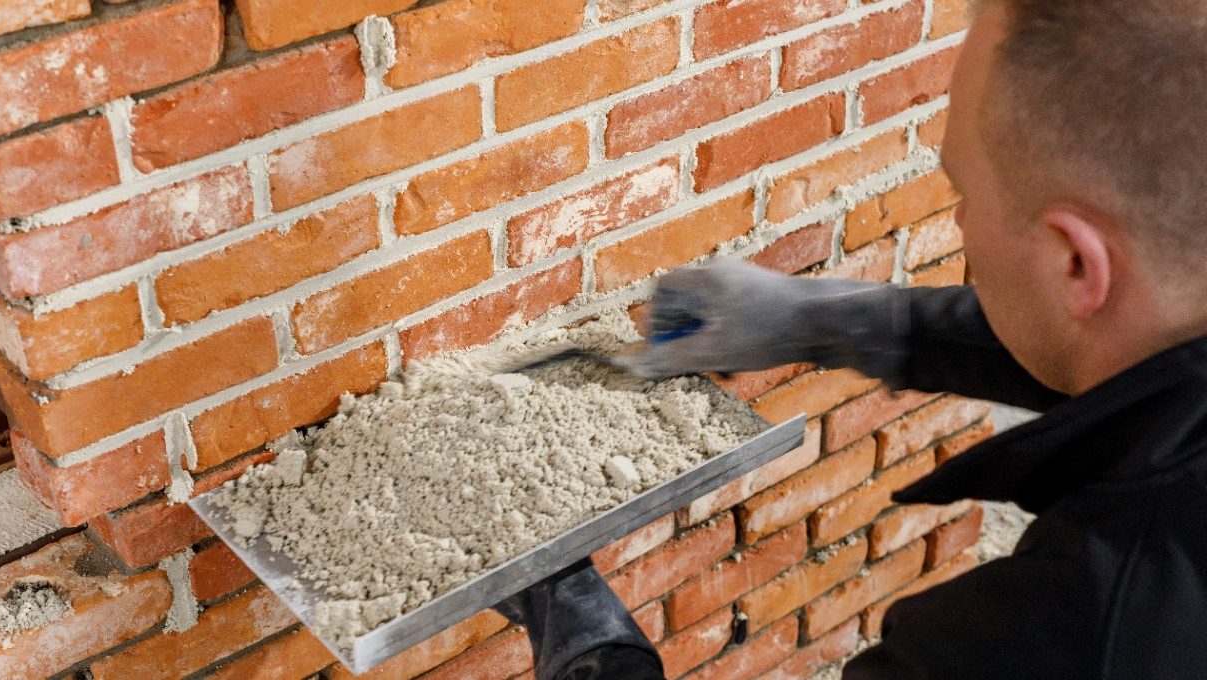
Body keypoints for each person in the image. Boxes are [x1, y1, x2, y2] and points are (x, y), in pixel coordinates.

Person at [495, 0, 1207, 677]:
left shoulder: (1063, 638)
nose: (961, 226)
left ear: (1075, 262)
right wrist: (833, 321)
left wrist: (583, 632)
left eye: (963, 196)